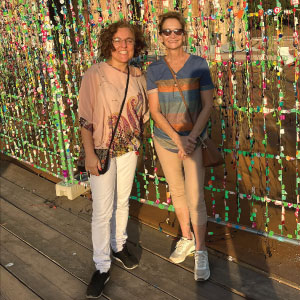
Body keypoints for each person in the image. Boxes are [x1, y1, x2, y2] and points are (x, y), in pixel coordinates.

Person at [78, 20, 148, 298]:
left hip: (129, 149)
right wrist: (89, 154)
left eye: (129, 40)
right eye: (118, 40)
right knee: (102, 210)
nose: (123, 45)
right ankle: (101, 266)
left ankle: (119, 245)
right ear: (109, 43)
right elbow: (85, 118)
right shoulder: (93, 75)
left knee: (122, 201)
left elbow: (144, 111)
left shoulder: (138, 75)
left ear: (136, 44)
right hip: (102, 150)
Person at [146, 11, 214, 281]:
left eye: (177, 31)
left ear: (184, 35)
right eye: (167, 32)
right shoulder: (154, 69)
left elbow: (208, 104)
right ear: (160, 36)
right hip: (166, 141)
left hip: (193, 139)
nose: (172, 36)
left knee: (196, 196)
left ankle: (201, 249)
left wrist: (191, 138)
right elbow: (154, 110)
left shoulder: (198, 64)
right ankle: (186, 237)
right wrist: (177, 139)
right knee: (177, 191)